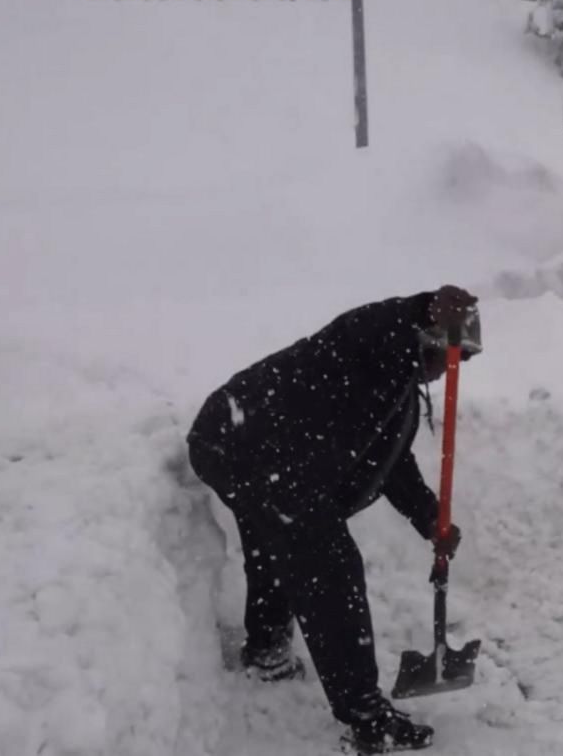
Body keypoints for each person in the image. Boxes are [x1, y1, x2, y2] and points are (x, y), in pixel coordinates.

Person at [185, 285, 479, 754]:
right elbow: (375, 327)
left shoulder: (399, 389)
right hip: (239, 437)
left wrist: (429, 519)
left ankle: (267, 651)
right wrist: (424, 307)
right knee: (329, 566)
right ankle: (365, 715)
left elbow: (393, 464)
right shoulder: (365, 347)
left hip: (263, 447)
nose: (449, 369)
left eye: (462, 360)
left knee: (277, 546)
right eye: (448, 354)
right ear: (422, 339)